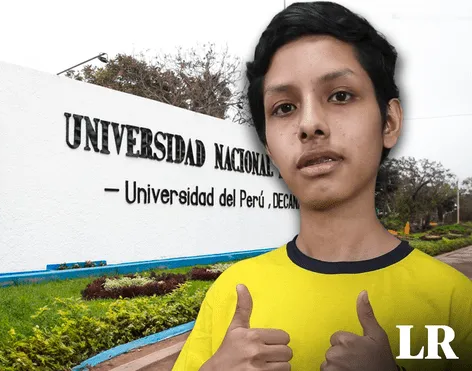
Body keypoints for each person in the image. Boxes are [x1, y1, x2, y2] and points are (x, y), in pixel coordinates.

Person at [172, 2, 472, 370]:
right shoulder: (232, 296)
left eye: (340, 96)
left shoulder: (453, 301)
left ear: (389, 122)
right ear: (269, 147)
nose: (309, 124)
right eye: (284, 108)